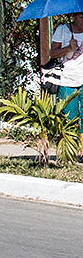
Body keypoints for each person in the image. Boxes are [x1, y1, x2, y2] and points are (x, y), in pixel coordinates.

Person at [49, 12, 83, 156]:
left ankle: (82, 152)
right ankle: (67, 152)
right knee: (69, 118)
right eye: (82, 17)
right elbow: (53, 53)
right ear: (73, 17)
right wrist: (69, 48)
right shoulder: (63, 30)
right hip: (68, 79)